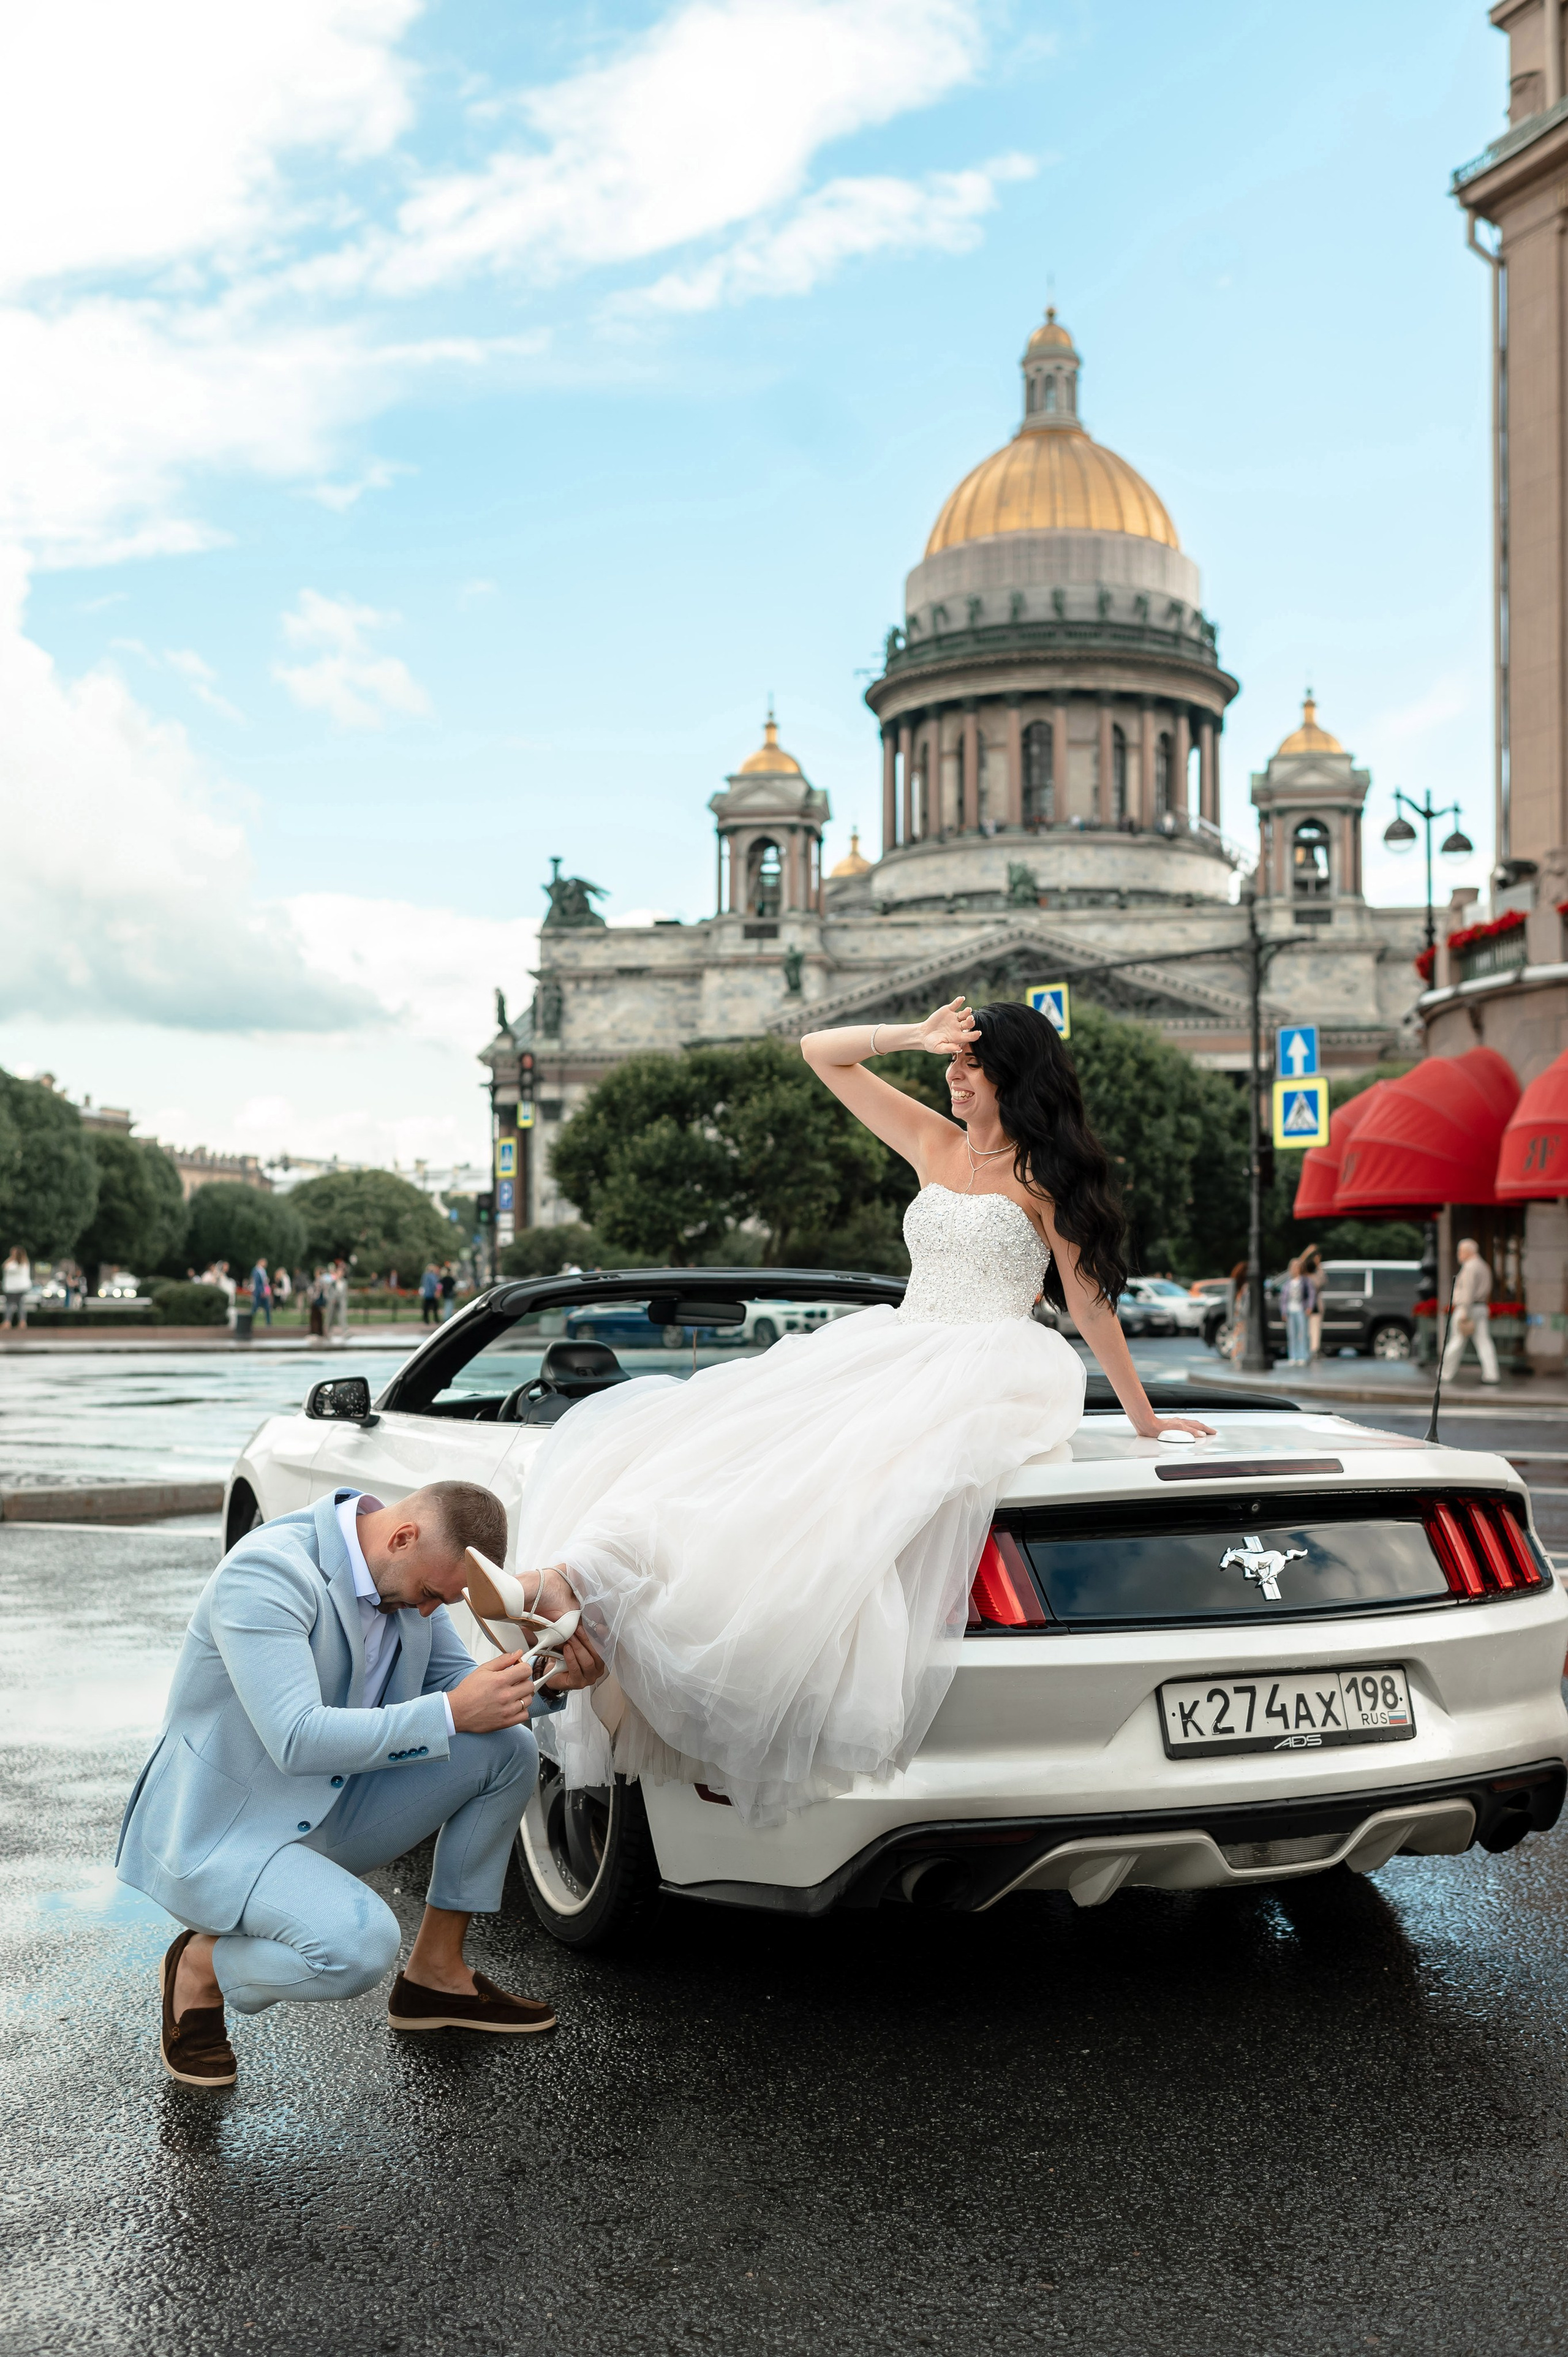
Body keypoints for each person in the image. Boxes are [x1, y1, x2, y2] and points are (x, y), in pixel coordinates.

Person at [505, 997, 1213, 1825]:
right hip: (892, 1346)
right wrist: (915, 1034)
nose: (952, 1078)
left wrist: (1145, 1419)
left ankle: (621, 1609)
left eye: (968, 1066)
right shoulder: (933, 1141)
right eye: (950, 1063)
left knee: (835, 1494)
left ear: (1011, 1077)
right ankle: (575, 1579)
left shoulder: (1044, 1178)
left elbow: (1091, 1310)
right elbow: (819, 1053)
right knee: (727, 1454)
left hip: (989, 1364)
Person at [115, 1481, 606, 2088]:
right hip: (230, 1831)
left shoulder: (408, 1585)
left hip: (335, 1805)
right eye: (431, 1594)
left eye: (443, 1601)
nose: (431, 1610)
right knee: (359, 1948)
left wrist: (551, 1678)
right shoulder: (267, 1572)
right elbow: (296, 1738)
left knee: (506, 1748)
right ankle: (201, 1965)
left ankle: (436, 1975)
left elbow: (461, 1687)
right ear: (403, 1537)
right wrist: (452, 1711)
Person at [1442, 1237, 1500, 1386]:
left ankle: (1444, 1373)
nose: (1458, 1254)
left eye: (1460, 1251)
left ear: (1467, 1252)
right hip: (1481, 1307)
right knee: (1484, 1342)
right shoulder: (1483, 1266)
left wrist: (1464, 1312)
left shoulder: (1470, 1267)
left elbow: (1468, 1292)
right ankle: (1492, 1374)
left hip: (1468, 1309)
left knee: (1456, 1342)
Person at [1283, 1259, 1309, 1366]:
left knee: (1302, 1334)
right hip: (1290, 1310)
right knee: (1292, 1334)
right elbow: (1283, 1299)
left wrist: (1309, 1307)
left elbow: (1310, 1295)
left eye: (1298, 1267)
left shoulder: (1304, 1281)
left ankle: (1303, 1356)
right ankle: (1293, 1356)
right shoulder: (1288, 1282)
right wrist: (1284, 1311)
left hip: (1301, 1310)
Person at [1299, 1245, 1324, 1359]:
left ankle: (1313, 1352)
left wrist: (1318, 1264)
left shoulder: (1315, 1277)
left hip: (1315, 1307)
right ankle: (1305, 1350)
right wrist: (1307, 1251)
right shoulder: (1303, 1277)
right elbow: (1297, 1264)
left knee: (1315, 1331)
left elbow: (1323, 1280)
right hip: (1303, 1307)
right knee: (1304, 1330)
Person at [2, 1245, 30, 1330]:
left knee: (9, 1305)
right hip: (21, 1287)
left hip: (12, 1287)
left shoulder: (14, 1264)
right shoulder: (25, 1263)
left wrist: (11, 1258)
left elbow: (5, 1267)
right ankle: (22, 1322)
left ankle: (7, 1322)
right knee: (20, 1304)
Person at [250, 1256, 273, 1330]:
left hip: (264, 1292)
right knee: (255, 1308)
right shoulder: (256, 1271)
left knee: (267, 1308)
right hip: (259, 1293)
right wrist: (262, 1292)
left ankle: (269, 1322)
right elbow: (257, 1283)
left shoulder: (263, 1271)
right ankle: (249, 1321)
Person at [420, 1262, 440, 1327]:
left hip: (427, 1294)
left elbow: (423, 1284)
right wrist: (437, 1291)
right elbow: (435, 1284)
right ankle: (436, 1320)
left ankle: (426, 1320)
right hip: (432, 1294)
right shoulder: (433, 1276)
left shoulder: (425, 1275)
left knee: (426, 1308)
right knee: (435, 1308)